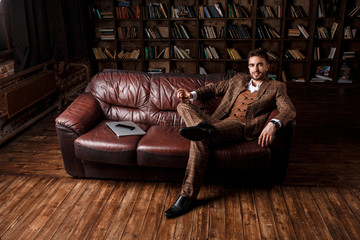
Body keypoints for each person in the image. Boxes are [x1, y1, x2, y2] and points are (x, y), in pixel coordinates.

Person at [164, 48, 296, 219]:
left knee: (199, 139)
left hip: (240, 126)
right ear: (248, 67)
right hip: (216, 122)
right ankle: (201, 128)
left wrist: (273, 124)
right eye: (252, 65)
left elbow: (289, 110)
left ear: (267, 67)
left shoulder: (277, 87)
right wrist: (191, 94)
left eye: (260, 65)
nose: (255, 69)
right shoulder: (239, 79)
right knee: (183, 106)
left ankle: (186, 197)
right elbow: (214, 88)